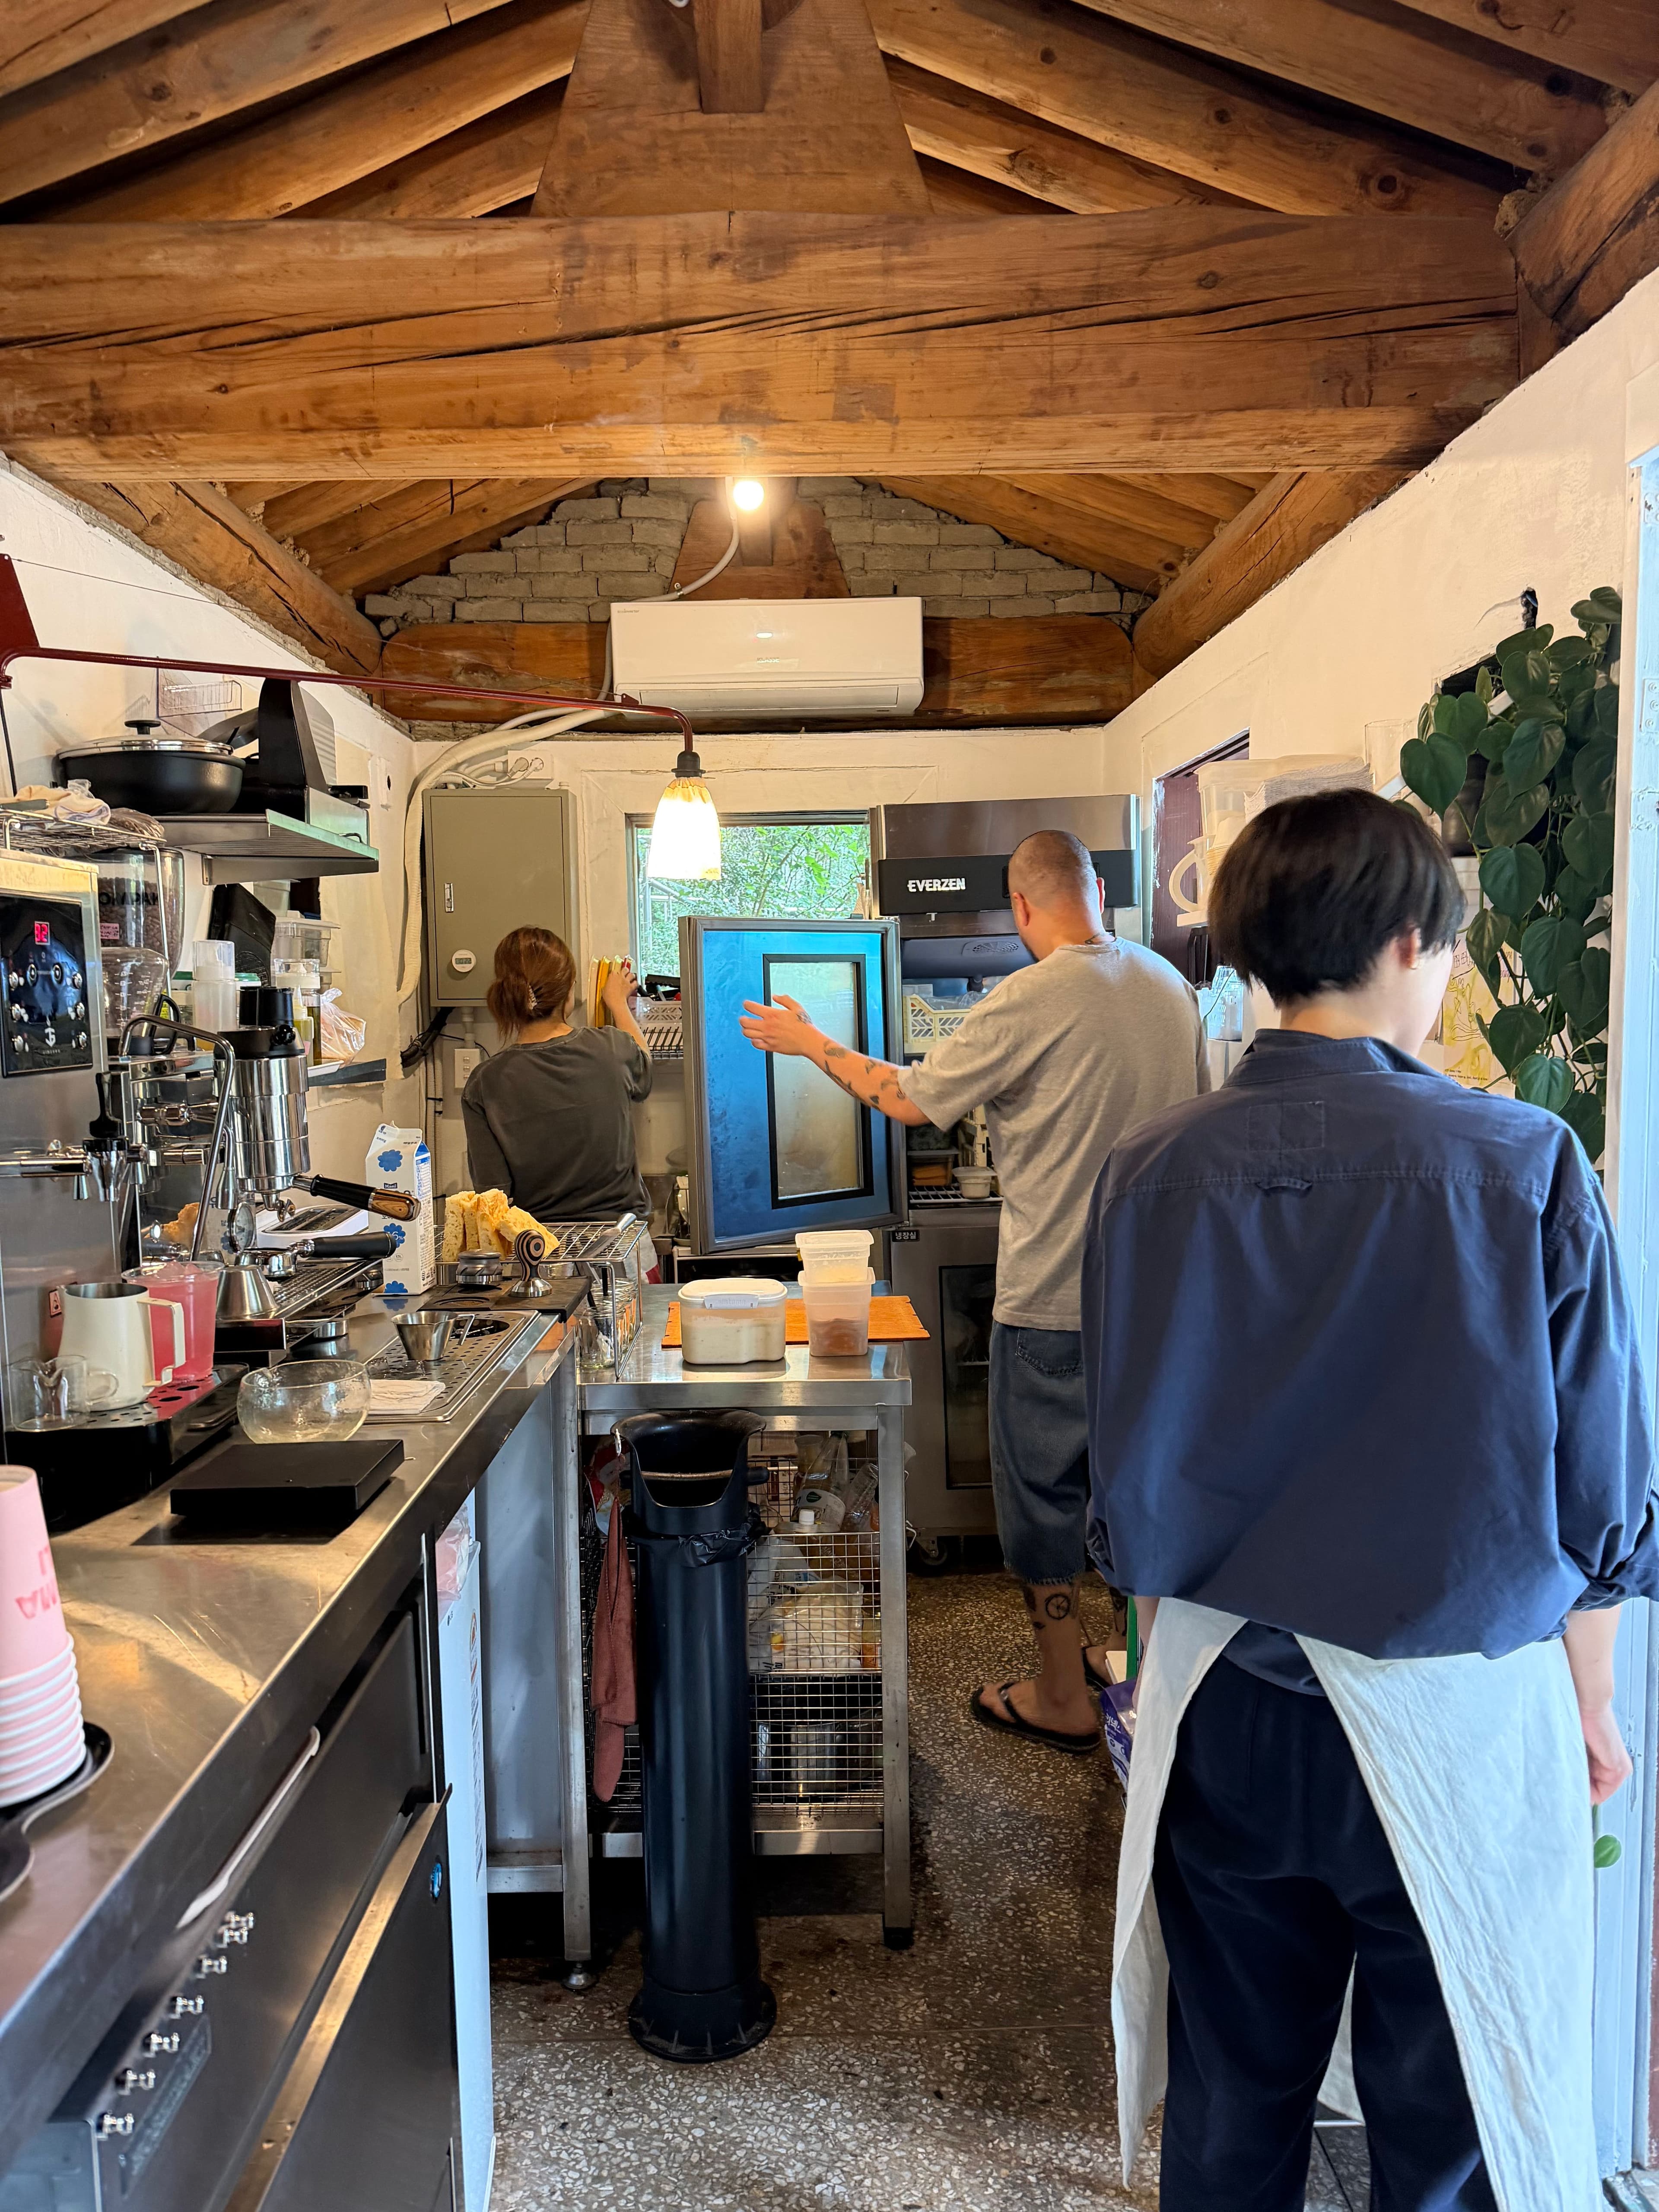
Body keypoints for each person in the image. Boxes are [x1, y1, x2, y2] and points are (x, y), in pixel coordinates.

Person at [1082, 788, 1657, 2210]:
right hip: (1456, 1714)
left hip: (1226, 1704)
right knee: (1447, 2128)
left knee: (1233, 2100)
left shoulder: (1148, 1171)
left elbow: (1128, 1472)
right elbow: (1600, 1494)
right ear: (1410, 939)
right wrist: (1592, 1702)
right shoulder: (1523, 1163)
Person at [739, 828, 1209, 1752]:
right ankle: (1148, 1680)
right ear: (1097, 890)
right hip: (1158, 1307)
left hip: (1053, 1304)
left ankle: (1063, 1695)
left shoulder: (1028, 997)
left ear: (1020, 906)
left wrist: (809, 1043)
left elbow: (908, 1100)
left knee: (1044, 1504)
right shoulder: (1168, 986)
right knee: (1141, 1493)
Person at [461, 925, 653, 1221]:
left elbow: (494, 1195)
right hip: (621, 1239)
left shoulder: (484, 1083)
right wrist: (617, 1003)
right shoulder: (612, 1048)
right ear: (568, 991)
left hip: (537, 1244)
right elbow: (645, 1070)